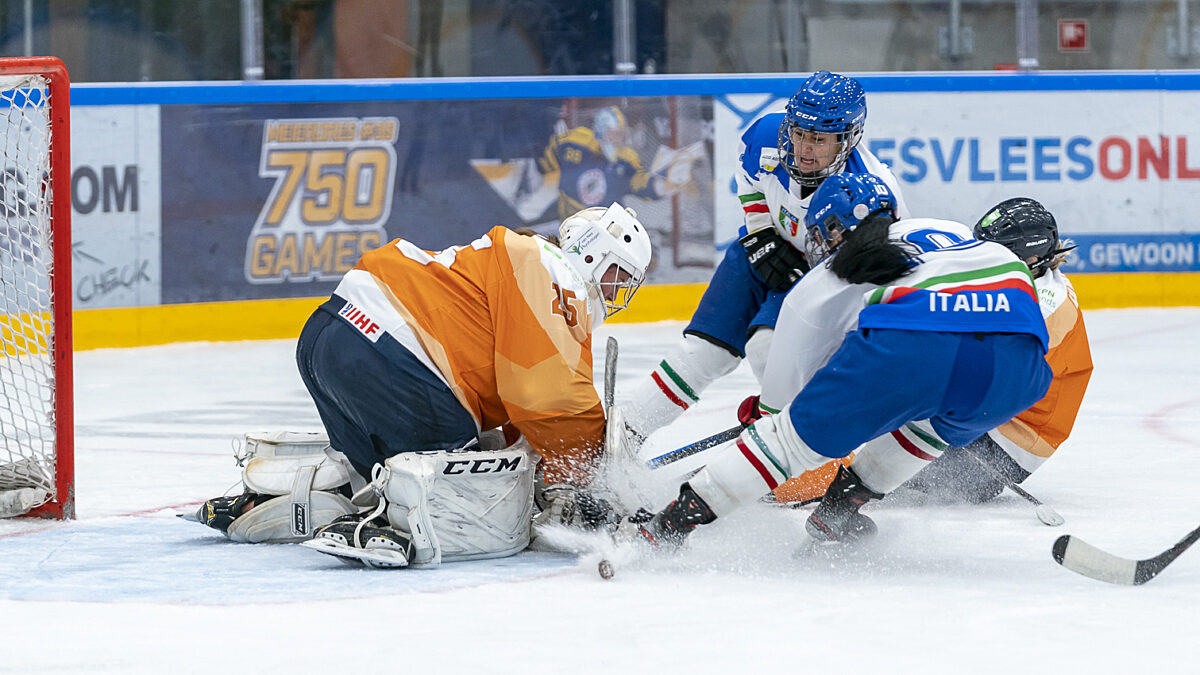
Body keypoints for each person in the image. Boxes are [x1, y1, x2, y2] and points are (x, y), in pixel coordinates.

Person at [195, 202, 653, 568]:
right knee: (474, 496)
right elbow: (546, 398)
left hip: (327, 337)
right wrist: (594, 471)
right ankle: (394, 523)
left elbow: (517, 412)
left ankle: (304, 493)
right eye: (620, 275)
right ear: (592, 251)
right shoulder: (559, 278)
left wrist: (548, 463)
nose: (619, 291)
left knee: (398, 464)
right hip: (399, 363)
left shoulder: (518, 259)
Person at [615, 172, 1052, 549]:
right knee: (929, 429)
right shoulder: (945, 227)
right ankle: (842, 508)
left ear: (830, 233)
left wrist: (767, 418)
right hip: (1021, 359)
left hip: (915, 346)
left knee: (784, 443)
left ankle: (667, 526)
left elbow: (780, 412)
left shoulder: (820, 285)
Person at [621, 70, 908, 449]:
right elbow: (751, 183)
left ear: (849, 139)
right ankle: (625, 434)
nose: (805, 148)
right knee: (702, 350)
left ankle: (798, 443)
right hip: (763, 245)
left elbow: (876, 282)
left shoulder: (875, 195)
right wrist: (760, 234)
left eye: (819, 139)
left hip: (823, 273)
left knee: (767, 348)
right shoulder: (765, 138)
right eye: (800, 133)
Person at [901, 198, 1092, 503]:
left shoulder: (1044, 308)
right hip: (991, 422)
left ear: (1029, 257)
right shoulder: (1021, 281)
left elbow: (986, 380)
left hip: (1006, 446)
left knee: (885, 459)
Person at [538, 106, 683, 222]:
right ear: (601, 130)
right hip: (567, 219)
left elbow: (639, 183)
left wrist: (661, 186)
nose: (617, 140)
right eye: (614, 134)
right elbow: (546, 160)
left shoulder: (625, 159)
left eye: (621, 135)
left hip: (607, 225)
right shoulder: (573, 141)